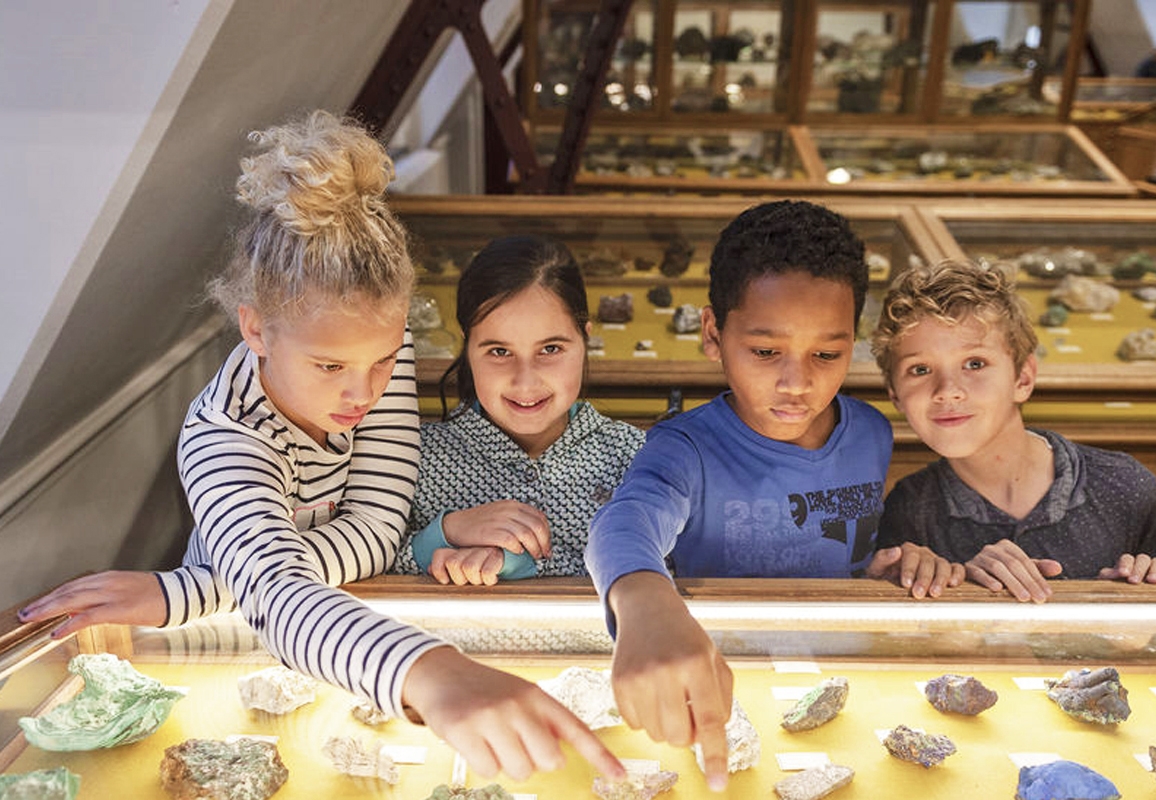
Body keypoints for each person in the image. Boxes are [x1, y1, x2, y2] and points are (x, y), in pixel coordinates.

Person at [17, 111, 623, 784]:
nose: (361, 396)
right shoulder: (224, 437)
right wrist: (432, 672)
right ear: (256, 329)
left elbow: (378, 528)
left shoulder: (369, 355)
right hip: (248, 643)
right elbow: (279, 595)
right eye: (330, 368)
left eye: (384, 361)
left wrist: (197, 587)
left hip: (335, 632)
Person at [583, 199, 960, 791]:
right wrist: (645, 602)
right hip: (715, 681)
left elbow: (850, 549)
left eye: (827, 355)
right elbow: (625, 521)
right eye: (765, 352)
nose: (797, 382)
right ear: (713, 334)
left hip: (837, 682)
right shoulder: (684, 448)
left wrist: (893, 562)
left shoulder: (871, 432)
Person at [870, 260, 1156, 604]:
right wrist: (956, 585)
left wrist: (1136, 591)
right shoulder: (909, 508)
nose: (948, 390)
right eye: (920, 368)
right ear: (895, 394)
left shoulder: (1126, 485)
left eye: (975, 363)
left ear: (1023, 378)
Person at [393, 235, 644, 585]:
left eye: (551, 348)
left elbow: (665, 568)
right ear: (467, 349)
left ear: (585, 340)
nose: (525, 383)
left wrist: (515, 564)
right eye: (499, 351)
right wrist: (447, 531)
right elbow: (371, 562)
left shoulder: (634, 457)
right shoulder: (413, 457)